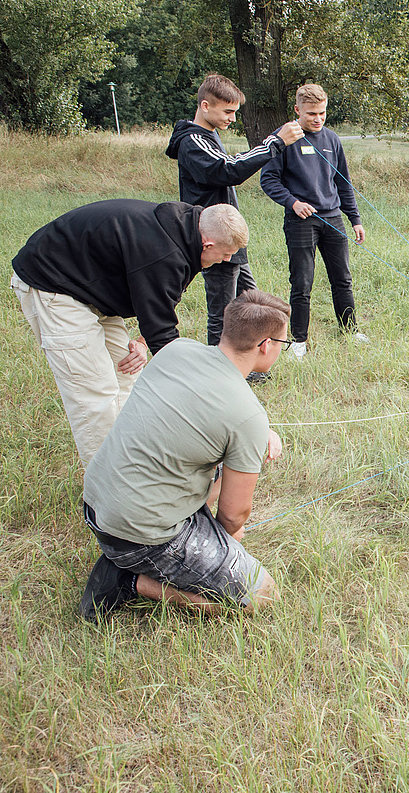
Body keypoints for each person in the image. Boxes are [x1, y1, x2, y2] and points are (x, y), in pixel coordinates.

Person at [78, 290, 291, 620]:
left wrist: (257, 433)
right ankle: (130, 580)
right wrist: (225, 542)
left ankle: (133, 556)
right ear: (266, 345)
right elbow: (234, 515)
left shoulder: (178, 349)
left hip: (95, 500)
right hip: (137, 534)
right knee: (262, 595)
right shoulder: (247, 415)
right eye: (283, 342)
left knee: (228, 461)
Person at [10, 200, 249, 465]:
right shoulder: (163, 252)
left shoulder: (185, 229)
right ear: (208, 244)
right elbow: (164, 337)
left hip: (94, 288)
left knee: (126, 375)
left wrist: (141, 342)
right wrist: (194, 392)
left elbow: (162, 301)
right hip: (54, 284)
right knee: (95, 393)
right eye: (226, 254)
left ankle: (129, 462)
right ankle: (107, 490)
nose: (227, 260)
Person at [165, 73, 303, 350]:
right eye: (227, 111)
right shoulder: (193, 142)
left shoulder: (209, 135)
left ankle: (247, 362)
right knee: (224, 313)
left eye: (234, 112)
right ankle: (220, 369)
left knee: (249, 303)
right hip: (214, 239)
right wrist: (275, 142)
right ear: (205, 106)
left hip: (229, 238)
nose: (232, 118)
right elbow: (228, 169)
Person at [261, 83, 367, 359]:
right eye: (311, 114)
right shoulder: (283, 139)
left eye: (321, 113)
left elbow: (343, 183)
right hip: (301, 221)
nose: (317, 119)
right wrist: (293, 203)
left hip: (332, 218)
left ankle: (351, 330)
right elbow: (268, 180)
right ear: (297, 110)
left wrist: (354, 218)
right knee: (302, 282)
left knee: (342, 278)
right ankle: (299, 340)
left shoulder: (332, 140)